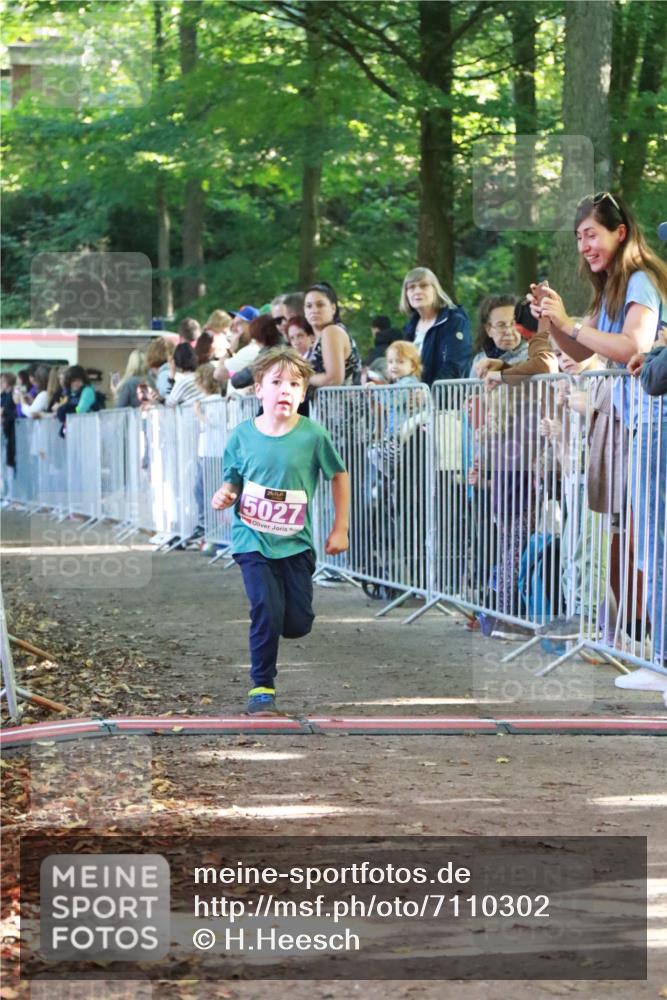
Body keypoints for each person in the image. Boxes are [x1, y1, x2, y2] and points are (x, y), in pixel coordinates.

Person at [532, 191, 667, 689]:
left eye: (591, 234)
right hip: (640, 424)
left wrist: (569, 325)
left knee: (653, 546)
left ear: (620, 232)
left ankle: (662, 663)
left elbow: (634, 345)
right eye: (579, 238)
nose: (584, 245)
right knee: (646, 544)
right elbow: (584, 351)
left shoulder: (640, 280)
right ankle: (659, 658)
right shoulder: (611, 286)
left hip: (658, 420)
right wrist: (555, 320)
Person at [211, 346, 350, 715]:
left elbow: (339, 475)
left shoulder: (313, 436)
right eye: (276, 382)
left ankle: (286, 621)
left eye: (294, 384)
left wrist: (341, 528)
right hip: (251, 539)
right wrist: (226, 494)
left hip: (296, 544)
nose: (285, 390)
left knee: (297, 622)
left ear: (304, 393)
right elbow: (233, 481)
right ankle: (262, 687)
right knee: (265, 609)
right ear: (259, 389)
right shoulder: (241, 436)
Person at [399, 267, 472, 385]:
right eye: (411, 287)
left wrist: (431, 395)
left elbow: (455, 364)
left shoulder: (454, 320)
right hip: (414, 399)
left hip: (446, 398)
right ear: (406, 293)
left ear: (435, 290)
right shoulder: (409, 328)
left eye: (423, 286)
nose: (417, 291)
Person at [304, 282, 362, 389]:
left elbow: (334, 379)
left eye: (320, 305)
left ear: (333, 308)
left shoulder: (332, 332)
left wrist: (301, 377)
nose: (314, 310)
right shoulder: (319, 338)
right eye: (309, 306)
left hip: (342, 404)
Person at [471, 295, 526, 377]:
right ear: (488, 330)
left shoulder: (533, 355)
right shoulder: (479, 359)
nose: (508, 331)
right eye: (501, 325)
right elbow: (472, 389)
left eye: (514, 323)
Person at [165, 343, 205, 408]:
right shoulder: (202, 377)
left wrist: (171, 377)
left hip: (191, 416)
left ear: (176, 361)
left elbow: (169, 403)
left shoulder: (183, 383)